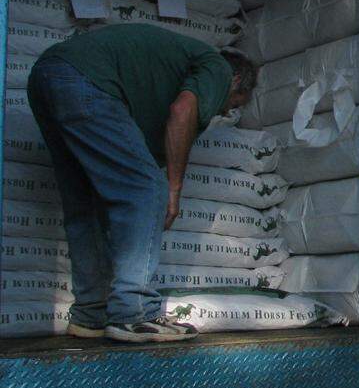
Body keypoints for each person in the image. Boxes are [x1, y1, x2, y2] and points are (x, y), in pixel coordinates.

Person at [27, 24, 257, 343]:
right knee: (148, 188)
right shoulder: (218, 67)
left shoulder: (166, 70)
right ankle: (134, 313)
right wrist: (172, 189)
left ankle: (90, 315)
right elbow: (183, 110)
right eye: (231, 103)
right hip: (86, 81)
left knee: (85, 205)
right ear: (235, 81)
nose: (223, 110)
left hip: (45, 76)